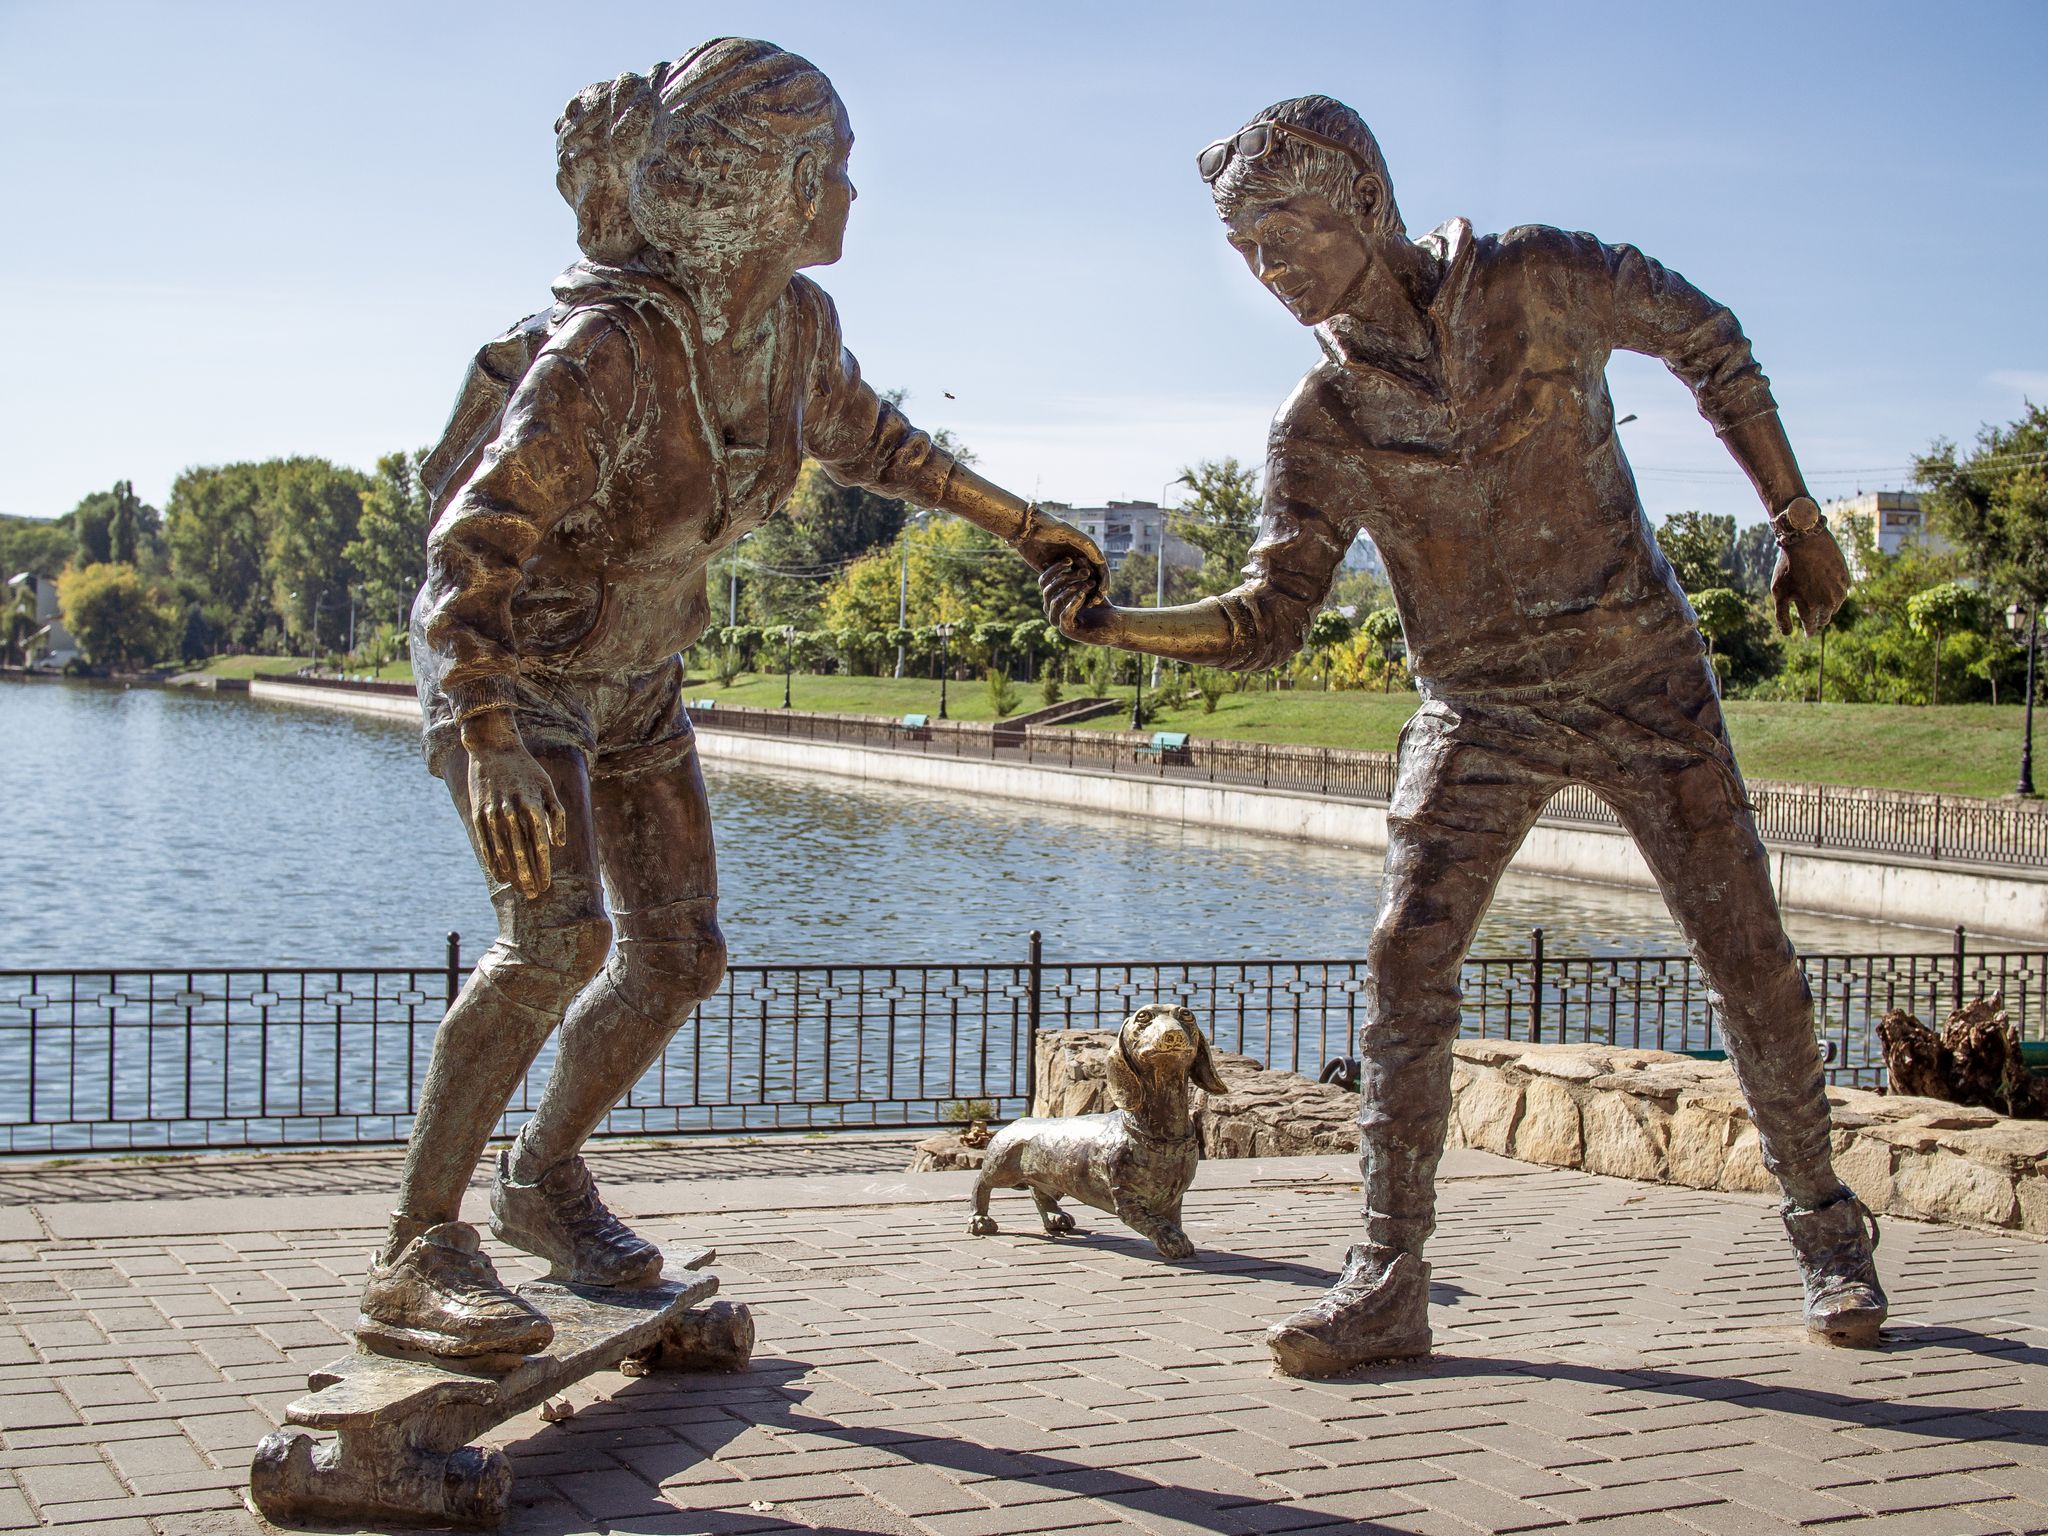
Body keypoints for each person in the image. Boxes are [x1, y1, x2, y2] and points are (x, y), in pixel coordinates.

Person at [1041, 95, 1883, 1377]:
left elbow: (1710, 342)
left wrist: (1799, 522)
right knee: (1401, 966)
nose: (1270, 273)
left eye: (1287, 235)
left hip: (1637, 674)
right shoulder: (1319, 421)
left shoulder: (1536, 277)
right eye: (1246, 252)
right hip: (1475, 704)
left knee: (1744, 949)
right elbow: (1271, 616)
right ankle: (1386, 1277)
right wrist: (1116, 628)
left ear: (1362, 205)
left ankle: (1825, 1230)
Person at [362, 37, 1105, 1361]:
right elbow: (469, 546)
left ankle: (540, 1185)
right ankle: (417, 1249)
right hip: (516, 671)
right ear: (785, 181)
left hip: (638, 676)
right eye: (842, 169)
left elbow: (884, 444)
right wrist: (482, 733)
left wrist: (1029, 527)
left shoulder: (793, 332)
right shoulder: (610, 348)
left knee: (680, 954)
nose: (855, 199)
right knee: (551, 943)